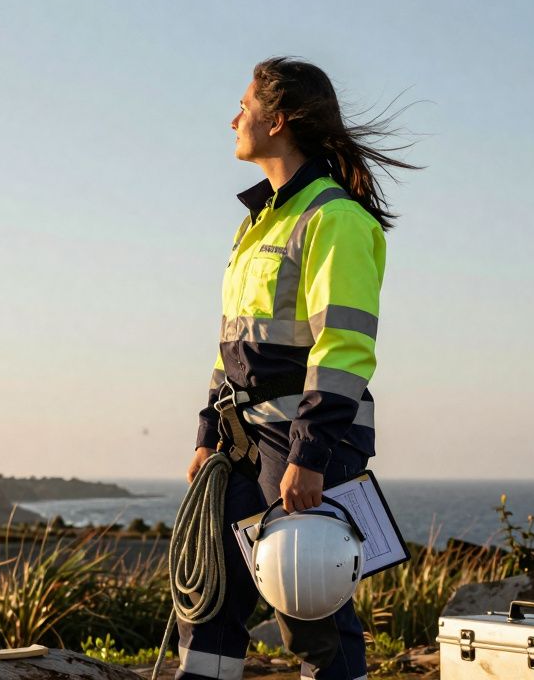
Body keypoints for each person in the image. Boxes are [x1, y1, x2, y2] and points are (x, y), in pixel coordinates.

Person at [177, 57, 417, 680]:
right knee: (210, 599)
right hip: (242, 440)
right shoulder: (256, 222)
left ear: (278, 119)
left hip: (306, 441)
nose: (234, 118)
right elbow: (231, 346)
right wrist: (208, 435)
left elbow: (345, 348)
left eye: (244, 105)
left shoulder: (335, 218)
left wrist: (310, 455)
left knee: (309, 605)